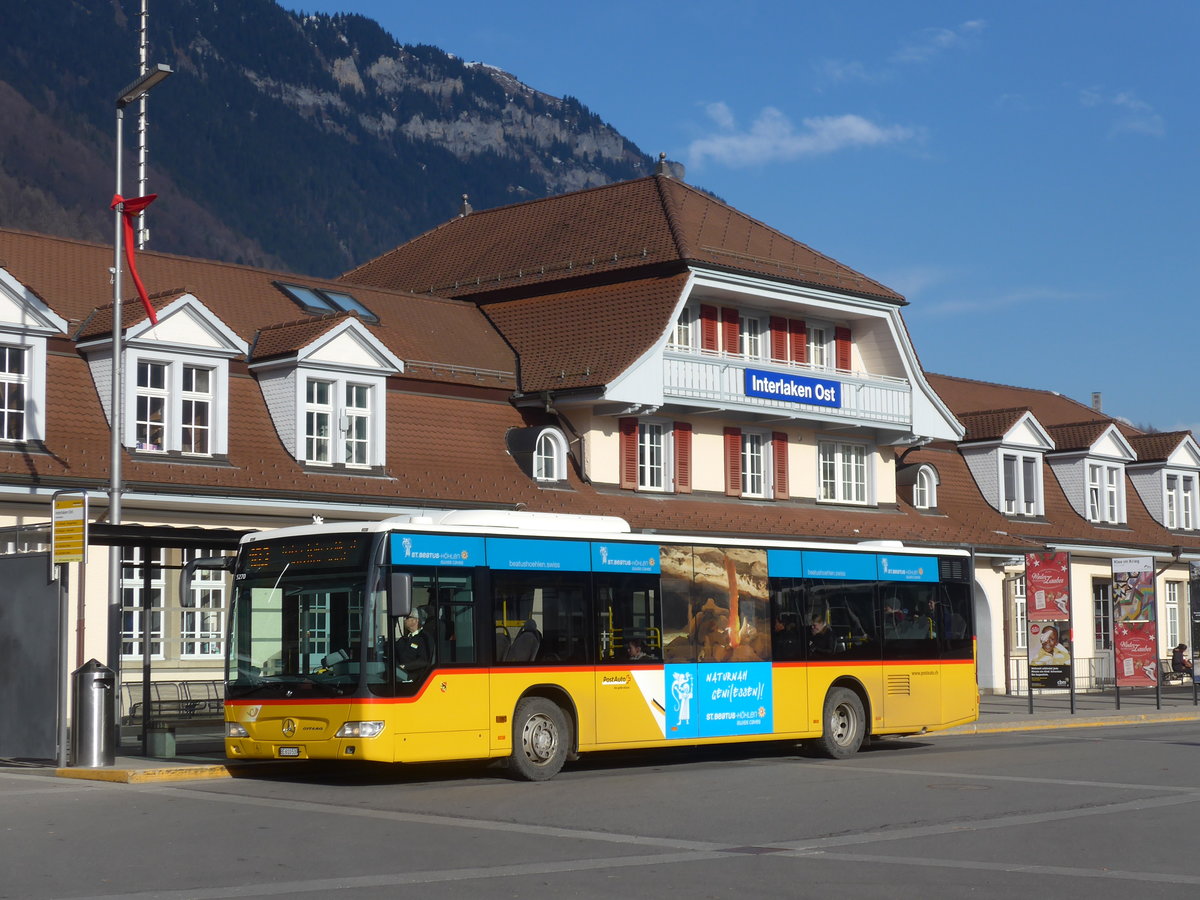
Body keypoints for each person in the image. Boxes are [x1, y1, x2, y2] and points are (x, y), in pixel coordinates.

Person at [395, 609, 431, 680]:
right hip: (399, 675)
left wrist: (404, 666)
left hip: (415, 678)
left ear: (416, 620)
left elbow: (424, 661)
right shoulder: (404, 639)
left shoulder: (424, 638)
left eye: (407, 617)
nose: (404, 620)